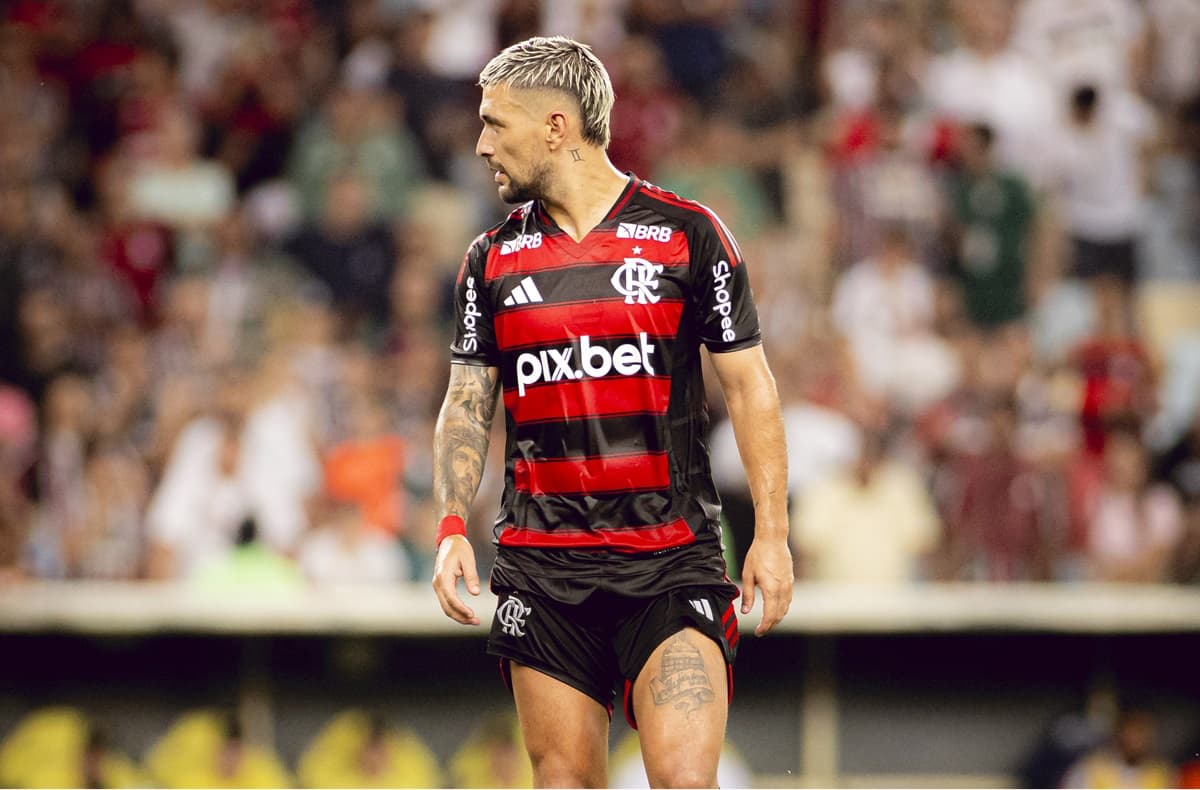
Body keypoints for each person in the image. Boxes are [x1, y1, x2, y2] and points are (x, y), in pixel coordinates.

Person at [430, 36, 793, 788]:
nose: (480, 143)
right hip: (541, 569)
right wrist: (449, 526)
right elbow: (468, 400)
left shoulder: (688, 234)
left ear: (556, 127)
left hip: (670, 561)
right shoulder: (489, 262)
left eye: (497, 124)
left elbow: (751, 386)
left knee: (686, 780)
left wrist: (774, 535)